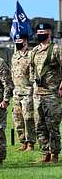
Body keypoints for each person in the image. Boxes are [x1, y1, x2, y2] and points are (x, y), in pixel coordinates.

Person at [31, 23, 62, 163]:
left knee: (53, 125)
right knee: (39, 125)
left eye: (43, 31)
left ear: (49, 32)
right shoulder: (35, 50)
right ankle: (45, 153)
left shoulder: (56, 49)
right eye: (38, 31)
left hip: (52, 94)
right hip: (38, 94)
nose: (40, 33)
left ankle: (55, 154)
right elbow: (32, 69)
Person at [11, 34, 36, 151]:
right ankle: (23, 142)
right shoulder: (15, 55)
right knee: (18, 119)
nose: (18, 42)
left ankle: (31, 143)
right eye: (16, 40)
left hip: (28, 92)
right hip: (16, 92)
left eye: (20, 40)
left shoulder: (31, 55)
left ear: (25, 41)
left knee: (28, 118)